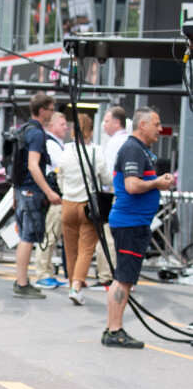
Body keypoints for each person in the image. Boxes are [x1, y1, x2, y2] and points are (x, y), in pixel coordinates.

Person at [102, 107, 174, 348]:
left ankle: (113, 328)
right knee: (123, 278)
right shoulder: (133, 148)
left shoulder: (139, 149)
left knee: (124, 277)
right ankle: (114, 330)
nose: (160, 128)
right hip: (130, 223)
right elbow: (132, 185)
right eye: (156, 123)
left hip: (133, 223)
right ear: (142, 125)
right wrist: (158, 183)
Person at [58, 114, 112, 306]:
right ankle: (76, 286)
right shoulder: (95, 152)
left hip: (67, 204)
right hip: (88, 206)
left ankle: (73, 282)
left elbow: (60, 177)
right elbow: (106, 180)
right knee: (86, 249)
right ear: (90, 130)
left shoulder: (66, 151)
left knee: (70, 250)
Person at [13, 93, 61, 299]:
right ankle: (22, 283)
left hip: (22, 189)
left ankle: (21, 280)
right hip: (32, 190)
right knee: (28, 237)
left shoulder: (25, 129)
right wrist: (50, 192)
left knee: (25, 236)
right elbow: (33, 165)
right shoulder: (37, 134)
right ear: (43, 111)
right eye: (51, 109)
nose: (53, 113)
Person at [91, 106, 129, 291]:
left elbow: (107, 173)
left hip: (113, 193)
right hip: (126, 195)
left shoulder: (115, 143)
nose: (104, 125)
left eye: (106, 121)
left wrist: (103, 191)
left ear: (117, 122)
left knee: (107, 236)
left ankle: (107, 277)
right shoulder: (129, 140)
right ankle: (119, 276)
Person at [35, 111, 68, 289]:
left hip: (55, 196)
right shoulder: (51, 143)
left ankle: (46, 272)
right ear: (52, 126)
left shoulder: (57, 143)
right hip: (53, 196)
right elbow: (62, 165)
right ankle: (42, 273)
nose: (66, 128)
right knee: (49, 236)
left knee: (52, 237)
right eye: (62, 124)